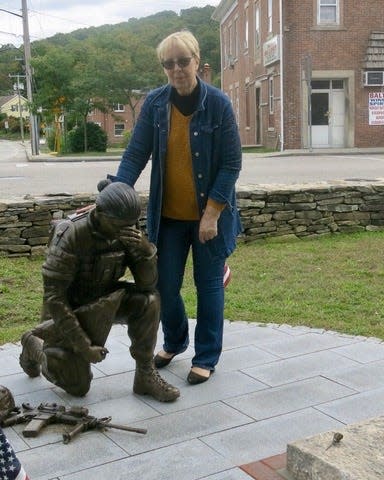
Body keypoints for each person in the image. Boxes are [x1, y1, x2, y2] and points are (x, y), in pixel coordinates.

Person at [105, 30, 242, 385]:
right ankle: (175, 340)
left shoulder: (218, 104)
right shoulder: (154, 104)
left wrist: (212, 214)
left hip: (209, 217)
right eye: (169, 64)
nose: (177, 69)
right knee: (164, 285)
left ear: (197, 61)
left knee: (208, 284)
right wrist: (117, 191)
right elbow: (136, 154)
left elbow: (231, 164)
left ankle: (206, 357)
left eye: (183, 61)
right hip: (167, 217)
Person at [19, 182, 180, 403]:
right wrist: (84, 347)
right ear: (100, 212)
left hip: (105, 301)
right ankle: (33, 346)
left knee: (149, 300)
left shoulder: (128, 230)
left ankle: (145, 374)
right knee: (78, 386)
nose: (124, 231)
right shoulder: (70, 234)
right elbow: (55, 299)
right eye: (118, 225)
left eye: (131, 225)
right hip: (69, 310)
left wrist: (146, 252)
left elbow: (146, 286)